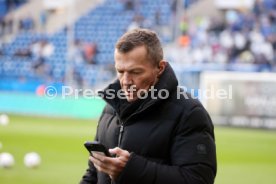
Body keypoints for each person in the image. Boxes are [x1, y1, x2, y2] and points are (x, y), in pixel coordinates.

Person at [80, 29, 217, 184]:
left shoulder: (189, 113)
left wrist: (131, 170)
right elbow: (93, 173)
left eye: (136, 72)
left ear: (160, 68)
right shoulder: (111, 108)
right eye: (120, 71)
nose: (126, 81)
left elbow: (198, 179)